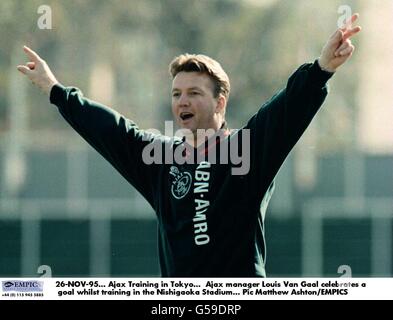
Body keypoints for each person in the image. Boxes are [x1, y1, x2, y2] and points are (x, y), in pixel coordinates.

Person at [17, 14, 361, 277]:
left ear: (220, 102)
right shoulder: (160, 160)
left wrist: (321, 70)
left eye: (194, 93)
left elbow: (284, 112)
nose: (183, 101)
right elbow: (111, 130)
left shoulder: (247, 152)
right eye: (177, 94)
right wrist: (55, 90)